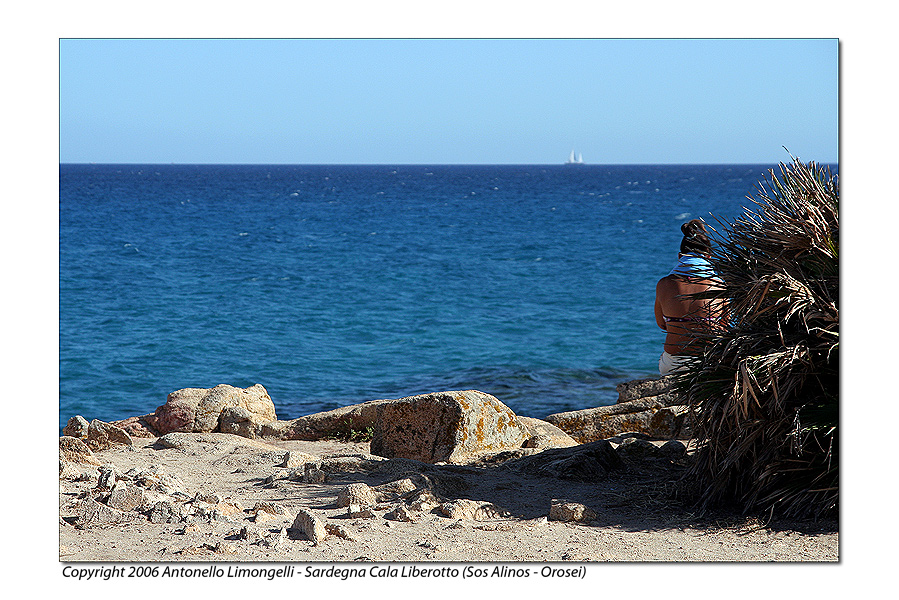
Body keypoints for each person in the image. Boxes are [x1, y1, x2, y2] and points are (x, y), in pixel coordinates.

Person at [654, 219, 725, 375]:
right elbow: (724, 327)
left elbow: (662, 324)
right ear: (710, 257)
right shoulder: (719, 285)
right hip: (708, 361)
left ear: (680, 256)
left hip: (673, 363)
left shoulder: (664, 284)